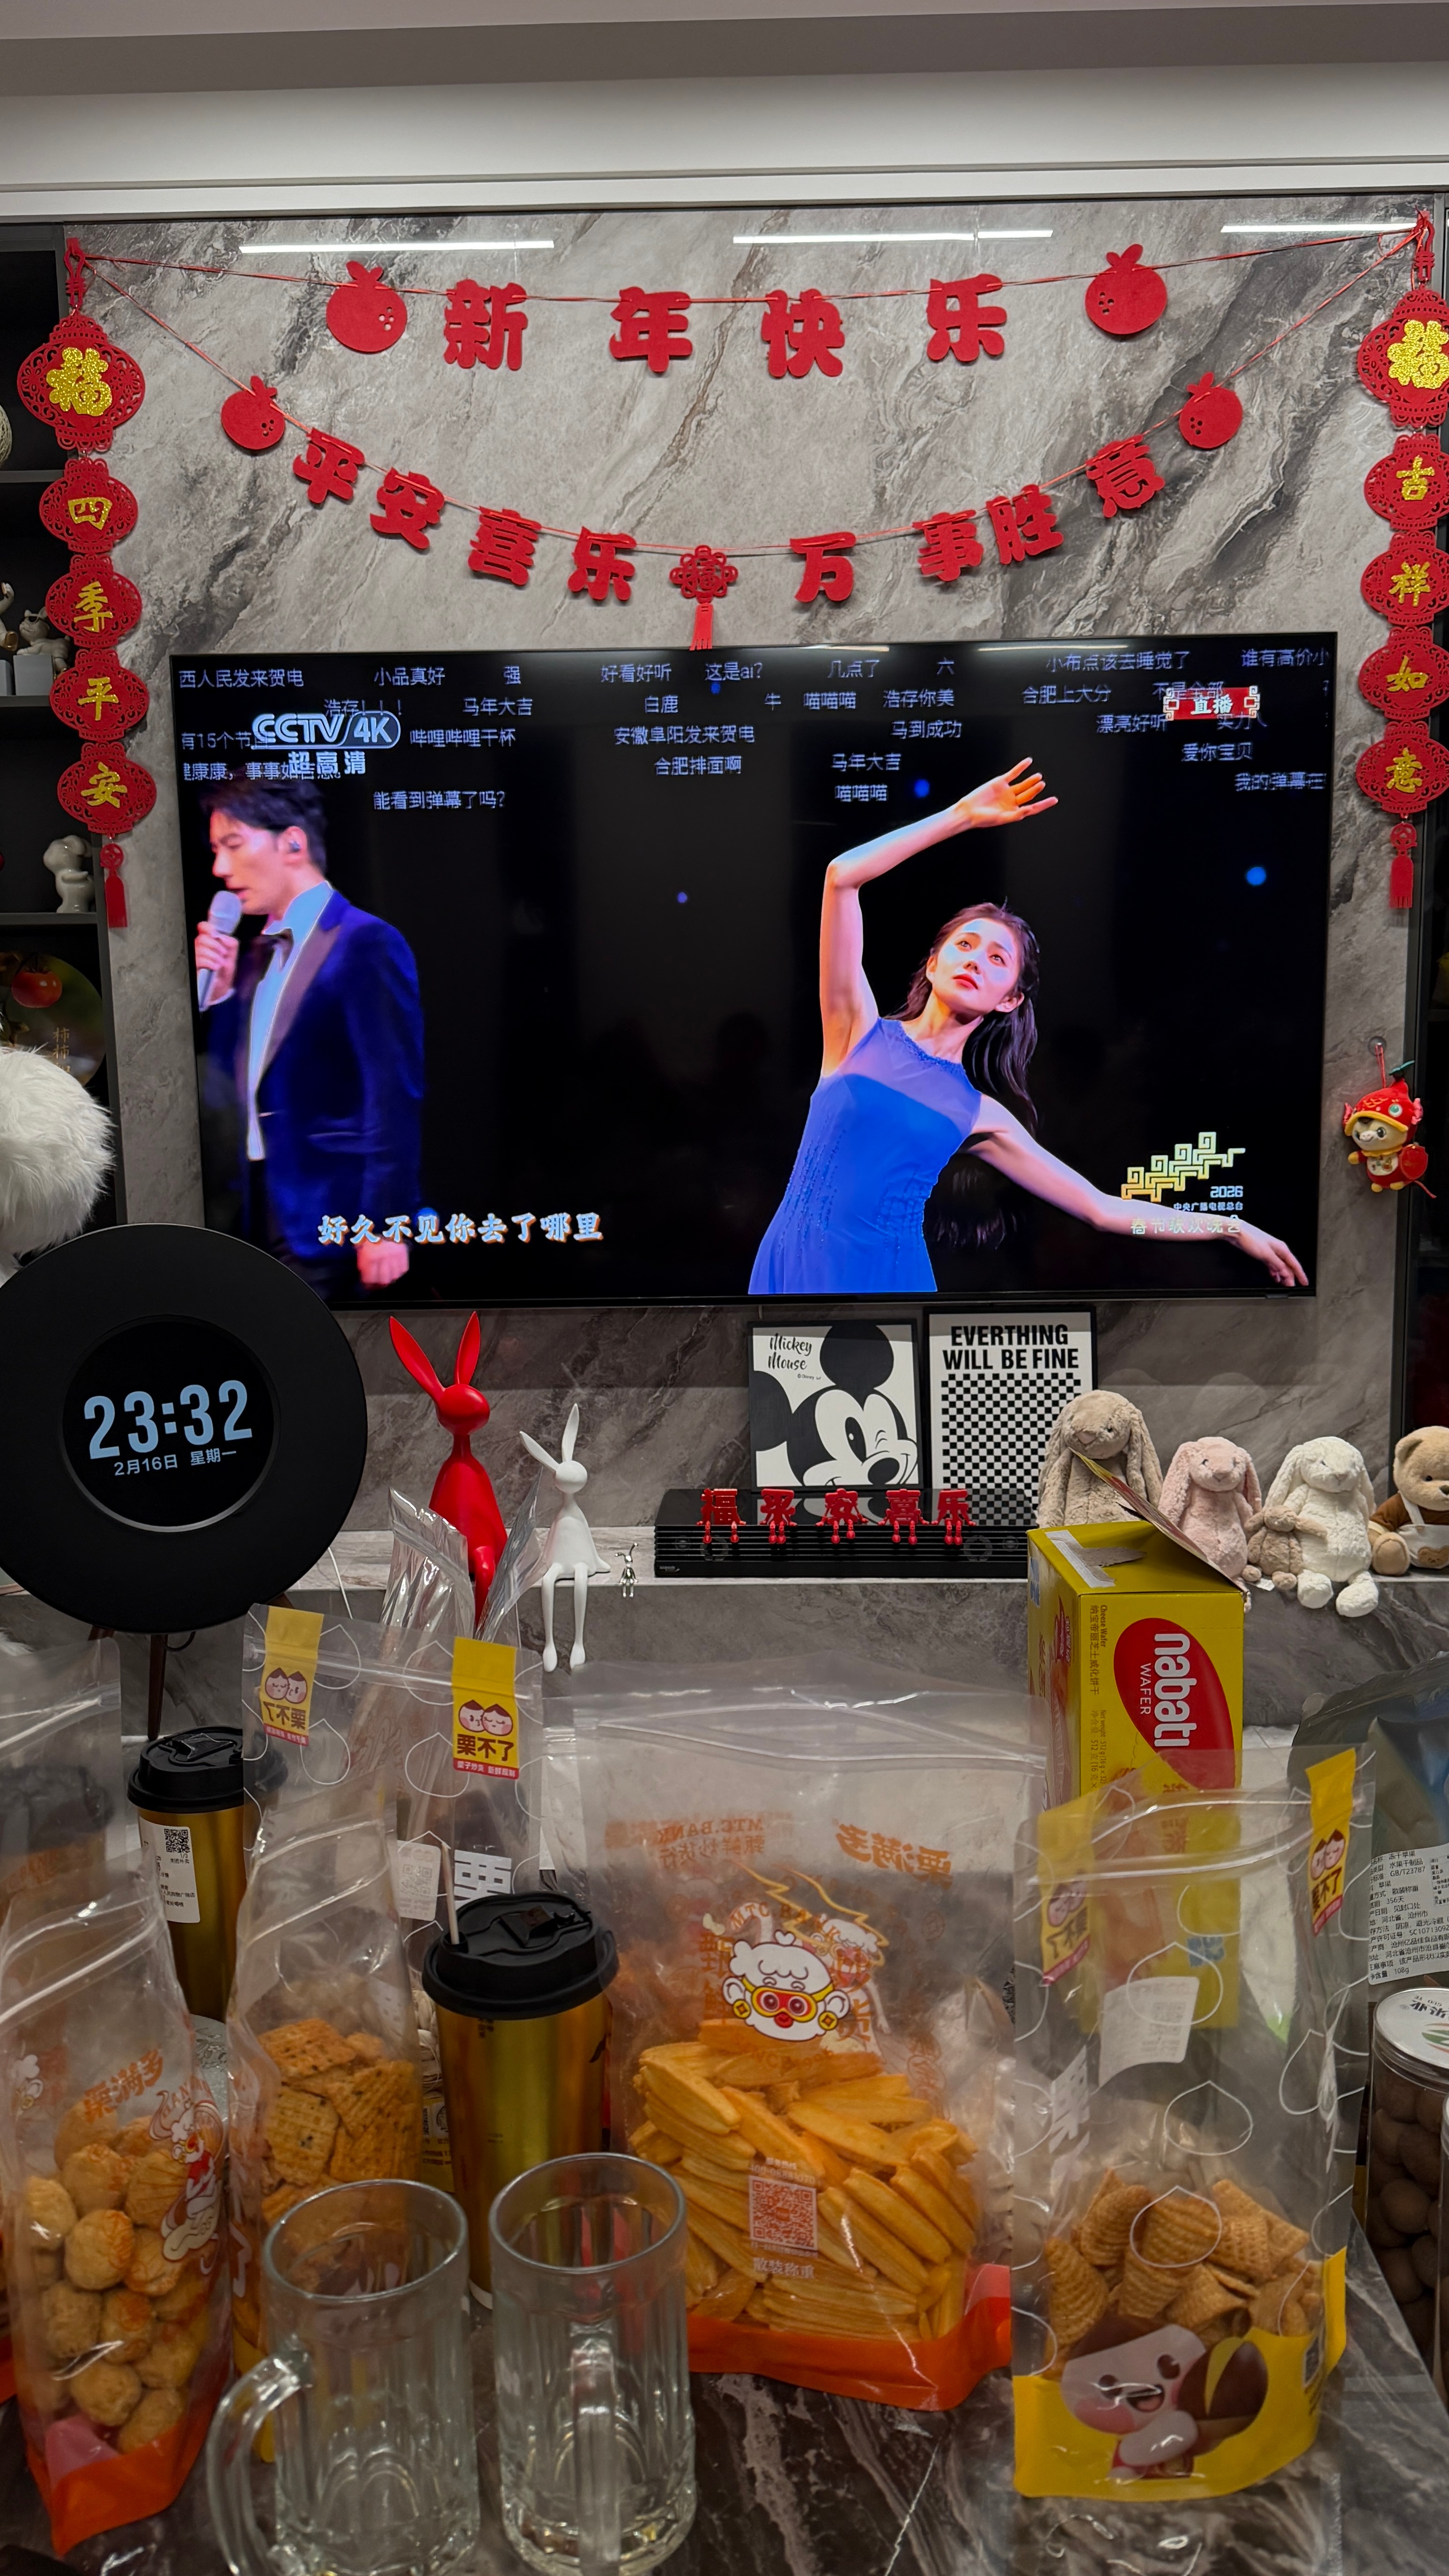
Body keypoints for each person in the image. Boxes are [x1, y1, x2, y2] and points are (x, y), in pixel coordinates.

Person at [748, 760, 1306, 1295]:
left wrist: (1228, 1227)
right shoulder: (857, 1033)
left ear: (1009, 998)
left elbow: (1101, 1209)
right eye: (965, 945)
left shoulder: (980, 1114)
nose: (975, 960)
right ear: (933, 964)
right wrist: (960, 817)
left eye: (997, 958)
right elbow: (841, 877)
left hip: (888, 1282)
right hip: (790, 1263)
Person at [192, 775, 423, 1295]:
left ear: (293, 843)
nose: (220, 869)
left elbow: (393, 1093)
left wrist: (386, 1224)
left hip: (332, 1215)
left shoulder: (366, 942)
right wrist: (219, 995)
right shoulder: (256, 953)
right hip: (254, 1205)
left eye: (233, 844)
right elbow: (230, 1086)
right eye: (215, 850)